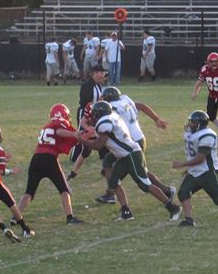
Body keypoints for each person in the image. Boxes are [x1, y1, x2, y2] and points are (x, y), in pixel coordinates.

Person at [79, 101, 182, 222]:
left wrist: (81, 140)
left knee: (145, 184)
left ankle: (173, 207)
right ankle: (126, 212)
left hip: (131, 154)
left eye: (95, 114)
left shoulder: (104, 123)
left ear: (100, 113)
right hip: (123, 155)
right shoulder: (112, 116)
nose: (93, 117)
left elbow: (99, 145)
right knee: (114, 181)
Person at [16, 104, 85, 225]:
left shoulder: (46, 126)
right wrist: (74, 134)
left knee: (29, 192)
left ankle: (15, 217)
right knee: (64, 190)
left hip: (35, 159)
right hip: (49, 159)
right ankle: (70, 217)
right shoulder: (59, 124)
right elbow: (59, 132)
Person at [102, 85, 175, 197]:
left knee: (138, 172)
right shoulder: (125, 99)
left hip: (131, 143)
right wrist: (156, 119)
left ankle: (111, 193)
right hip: (139, 138)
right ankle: (111, 191)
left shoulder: (113, 107)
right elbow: (142, 106)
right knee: (109, 162)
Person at [68, 64, 112, 203]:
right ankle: (74, 157)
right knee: (82, 137)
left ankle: (74, 171)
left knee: (89, 146)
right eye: (99, 73)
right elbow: (87, 105)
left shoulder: (99, 85)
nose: (102, 75)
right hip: (87, 115)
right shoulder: (88, 85)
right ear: (93, 73)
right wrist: (90, 122)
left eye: (103, 73)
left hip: (96, 116)